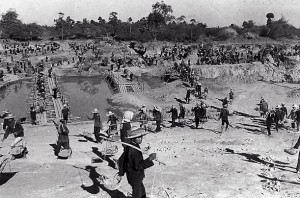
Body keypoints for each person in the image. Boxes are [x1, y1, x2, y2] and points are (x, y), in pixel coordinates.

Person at [118, 128, 156, 198]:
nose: (140, 139)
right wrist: (150, 159)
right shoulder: (133, 150)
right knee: (138, 194)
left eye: (141, 137)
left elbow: (121, 160)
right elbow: (138, 166)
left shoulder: (131, 146)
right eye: (137, 137)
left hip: (132, 176)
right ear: (132, 139)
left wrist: (121, 173)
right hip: (135, 176)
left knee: (142, 193)